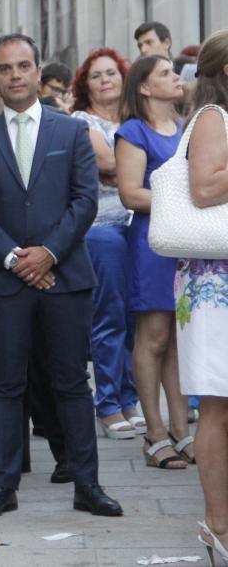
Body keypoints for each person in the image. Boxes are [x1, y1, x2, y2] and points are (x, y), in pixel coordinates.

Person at [0, 33, 122, 519]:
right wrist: (16, 259)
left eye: (23, 66)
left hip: (65, 277)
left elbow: (85, 201)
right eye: (4, 69)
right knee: (4, 384)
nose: (15, 76)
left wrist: (48, 253)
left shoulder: (70, 132)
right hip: (3, 282)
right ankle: (1, 486)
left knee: (72, 382)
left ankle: (87, 484)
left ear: (36, 71)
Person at [114, 54, 192, 469]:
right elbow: (130, 193)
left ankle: (182, 431)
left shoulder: (186, 127)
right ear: (144, 87)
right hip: (152, 241)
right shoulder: (133, 131)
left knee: (179, 338)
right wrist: (189, 197)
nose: (175, 77)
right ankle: (154, 433)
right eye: (165, 73)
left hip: (186, 240)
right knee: (154, 336)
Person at [173, 29, 228, 565]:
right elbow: (205, 187)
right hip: (217, 284)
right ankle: (218, 525)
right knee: (217, 403)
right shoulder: (214, 118)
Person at [68, 47, 142, 440]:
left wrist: (129, 172)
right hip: (102, 228)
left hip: (141, 225)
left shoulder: (136, 119)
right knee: (109, 315)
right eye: (96, 75)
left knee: (136, 317)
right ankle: (108, 402)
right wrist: (134, 170)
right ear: (85, 85)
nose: (105, 80)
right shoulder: (81, 122)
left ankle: (130, 398)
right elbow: (111, 166)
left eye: (112, 72)